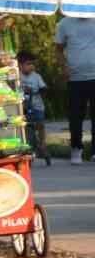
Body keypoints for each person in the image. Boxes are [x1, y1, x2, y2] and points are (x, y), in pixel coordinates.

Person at [55, 14, 95, 165]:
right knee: (75, 116)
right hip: (75, 78)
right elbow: (58, 49)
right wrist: (63, 66)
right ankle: (76, 148)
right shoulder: (64, 23)